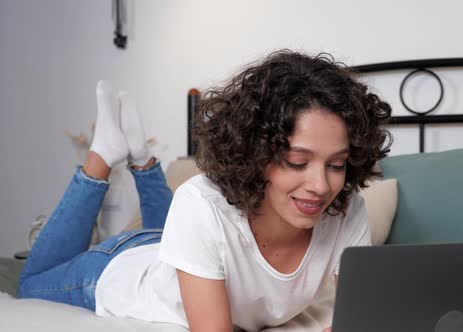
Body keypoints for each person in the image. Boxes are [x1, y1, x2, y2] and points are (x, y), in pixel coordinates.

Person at [18, 50, 392, 332]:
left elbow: (355, 320)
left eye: (336, 164)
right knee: (29, 283)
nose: (321, 185)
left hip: (172, 245)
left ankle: (142, 160)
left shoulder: (347, 210)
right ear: (257, 153)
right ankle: (102, 156)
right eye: (297, 160)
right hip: (115, 271)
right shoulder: (200, 203)